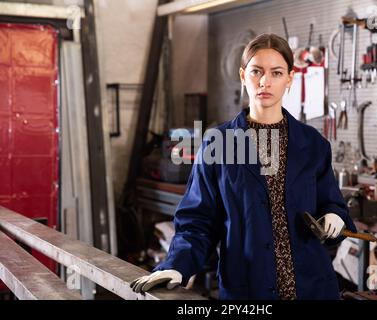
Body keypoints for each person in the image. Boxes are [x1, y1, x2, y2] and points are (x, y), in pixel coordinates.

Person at [130, 33, 357, 300]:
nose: (265, 81)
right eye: (256, 71)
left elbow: (332, 204)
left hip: (312, 288)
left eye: (276, 73)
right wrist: (176, 265)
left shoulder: (313, 145)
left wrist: (334, 217)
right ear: (242, 75)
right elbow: (197, 221)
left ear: (289, 79)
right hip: (248, 289)